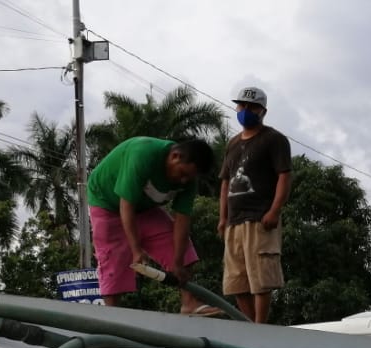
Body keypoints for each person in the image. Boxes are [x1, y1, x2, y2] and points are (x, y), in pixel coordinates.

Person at [87, 136, 216, 314]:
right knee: (113, 259)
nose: (184, 181)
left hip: (144, 208)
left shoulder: (188, 181)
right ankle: (111, 315)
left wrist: (177, 261)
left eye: (190, 177)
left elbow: (182, 220)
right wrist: (136, 250)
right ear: (175, 156)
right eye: (183, 174)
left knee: (182, 246)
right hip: (108, 203)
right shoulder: (143, 154)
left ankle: (189, 304)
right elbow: (126, 205)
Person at [219, 86, 292, 323]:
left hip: (260, 217)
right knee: (236, 280)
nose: (246, 110)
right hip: (234, 220)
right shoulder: (232, 143)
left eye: (252, 106)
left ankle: (261, 326)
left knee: (261, 278)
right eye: (242, 106)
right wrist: (222, 218)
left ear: (263, 111)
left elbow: (284, 176)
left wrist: (274, 210)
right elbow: (225, 182)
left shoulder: (274, 139)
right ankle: (249, 325)